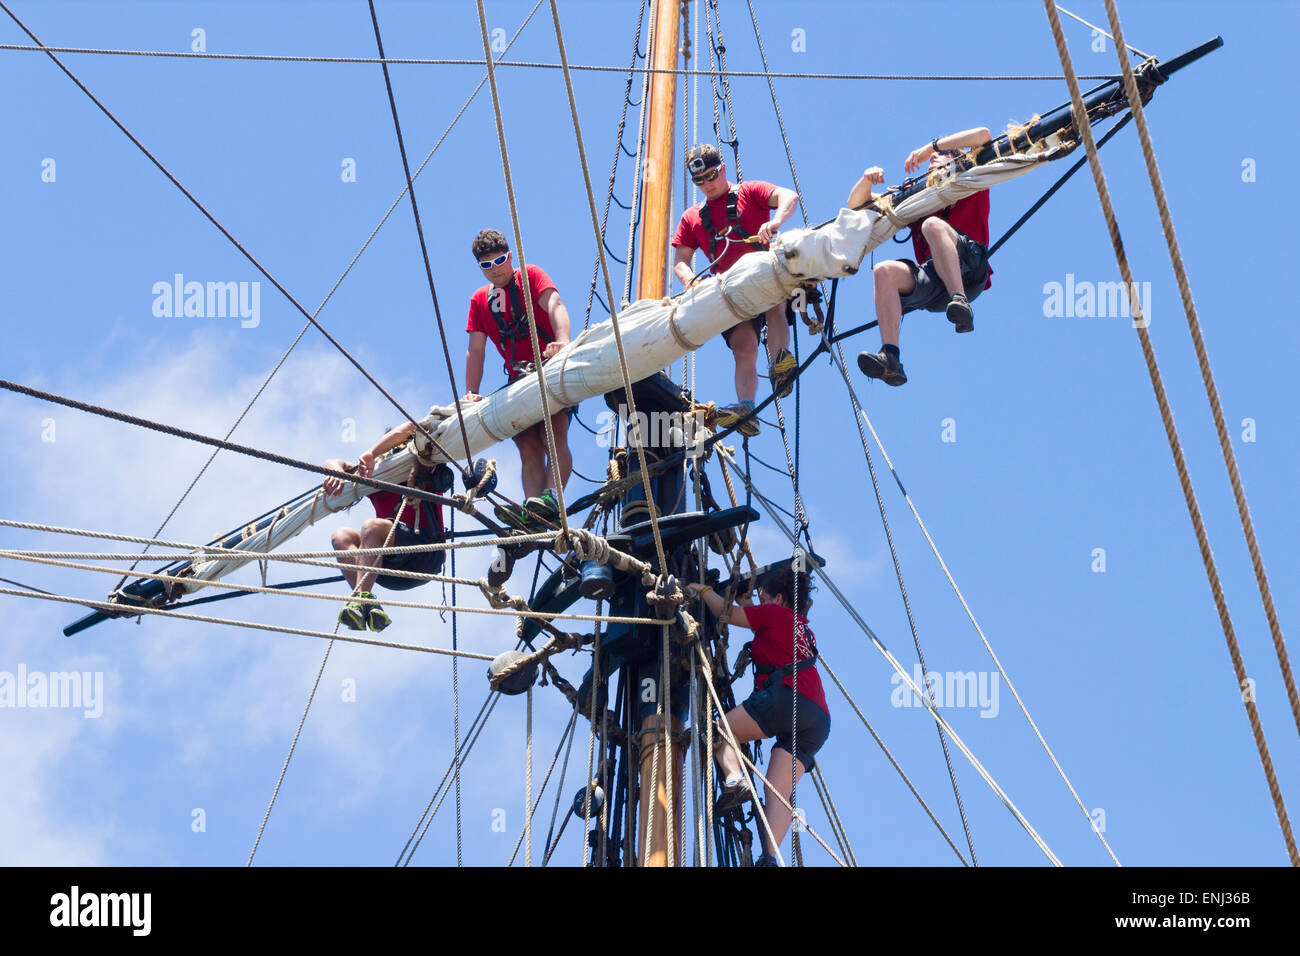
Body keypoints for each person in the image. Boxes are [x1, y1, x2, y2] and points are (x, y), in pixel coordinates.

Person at [686, 562, 830, 867]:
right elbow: (755, 618)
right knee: (777, 790)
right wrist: (748, 597)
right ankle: (770, 858)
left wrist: (704, 591)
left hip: (786, 700)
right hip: (817, 719)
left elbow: (728, 614)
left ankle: (735, 779)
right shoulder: (801, 625)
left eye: (764, 597)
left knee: (721, 728)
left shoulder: (774, 613)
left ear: (778, 599)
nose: (759, 602)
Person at [847, 127, 995, 386]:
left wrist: (930, 148)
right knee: (884, 271)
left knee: (931, 227)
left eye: (940, 159)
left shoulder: (972, 176)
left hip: (970, 270)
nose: (933, 165)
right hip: (935, 285)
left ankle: (959, 300)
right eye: (931, 163)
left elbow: (983, 135)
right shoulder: (920, 200)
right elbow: (856, 206)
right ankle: (890, 357)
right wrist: (866, 180)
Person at [672, 145, 801, 434]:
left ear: (723, 168)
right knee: (742, 346)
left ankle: (780, 364)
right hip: (730, 288)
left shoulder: (750, 191)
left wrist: (775, 221)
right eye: (699, 181)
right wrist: (691, 282)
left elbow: (788, 196)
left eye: (712, 175)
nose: (707, 183)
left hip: (764, 273)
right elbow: (680, 261)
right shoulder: (692, 217)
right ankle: (746, 407)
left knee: (774, 303)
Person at [464, 229, 574, 530]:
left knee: (553, 433)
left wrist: (563, 342)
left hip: (549, 367)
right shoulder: (479, 300)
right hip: (518, 379)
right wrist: (471, 392)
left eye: (499, 260)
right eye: (487, 265)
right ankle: (532, 507)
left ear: (510, 256)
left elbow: (555, 305)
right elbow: (476, 350)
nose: (495, 269)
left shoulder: (531, 276)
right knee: (527, 444)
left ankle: (552, 497)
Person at [322, 421, 449, 631]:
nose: (392, 452)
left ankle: (360, 599)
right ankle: (368, 606)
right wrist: (335, 470)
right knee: (341, 536)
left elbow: (411, 426)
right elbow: (332, 462)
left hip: (424, 553)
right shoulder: (378, 472)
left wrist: (372, 452)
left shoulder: (425, 460)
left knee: (372, 527)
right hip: (386, 568)